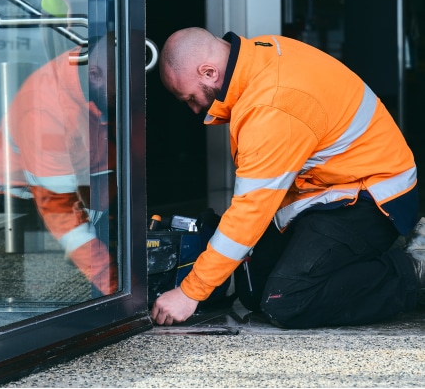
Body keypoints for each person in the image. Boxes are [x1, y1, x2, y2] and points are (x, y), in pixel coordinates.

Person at [151, 26, 423, 329]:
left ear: (209, 72)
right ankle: (357, 264)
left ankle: (413, 269)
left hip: (372, 194)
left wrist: (190, 293)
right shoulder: (261, 54)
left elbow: (251, 210)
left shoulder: (270, 104)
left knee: (286, 301)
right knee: (254, 292)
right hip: (323, 192)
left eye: (190, 98)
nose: (195, 110)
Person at [0, 34, 118, 296]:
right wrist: (114, 286)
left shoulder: (87, 78)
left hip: (69, 196)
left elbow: (105, 161)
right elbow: (61, 214)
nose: (128, 97)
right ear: (94, 75)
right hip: (21, 207)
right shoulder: (44, 111)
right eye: (120, 90)